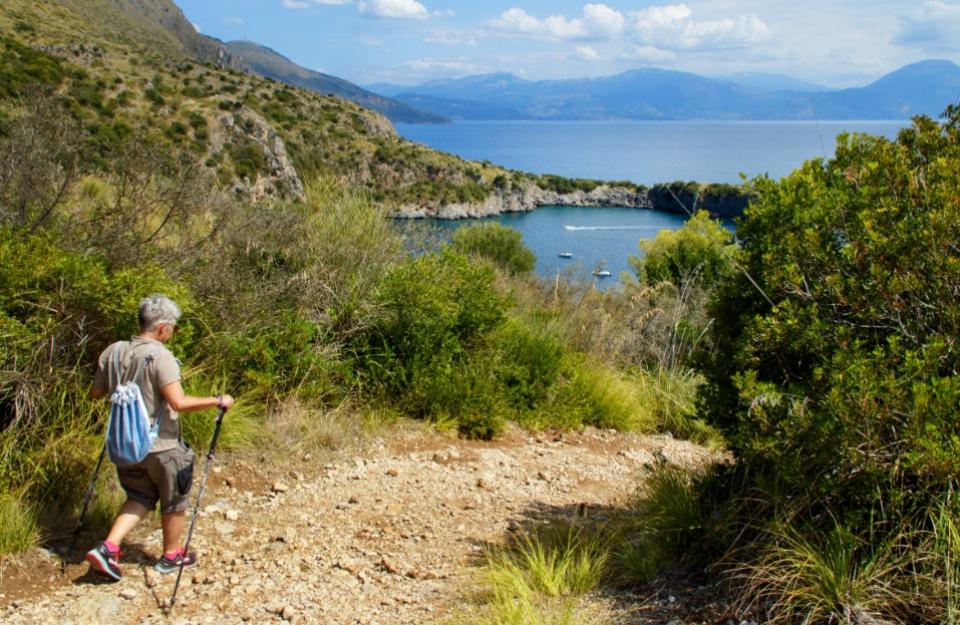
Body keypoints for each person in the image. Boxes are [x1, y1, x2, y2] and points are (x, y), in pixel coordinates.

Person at [84, 294, 234, 581]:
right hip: (161, 445)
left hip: (125, 445)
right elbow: (178, 402)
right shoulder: (161, 356)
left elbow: (96, 392)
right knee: (174, 499)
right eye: (174, 328)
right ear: (163, 327)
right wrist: (218, 400)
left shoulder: (113, 351)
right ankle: (171, 555)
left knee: (139, 495)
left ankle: (108, 547)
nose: (173, 334)